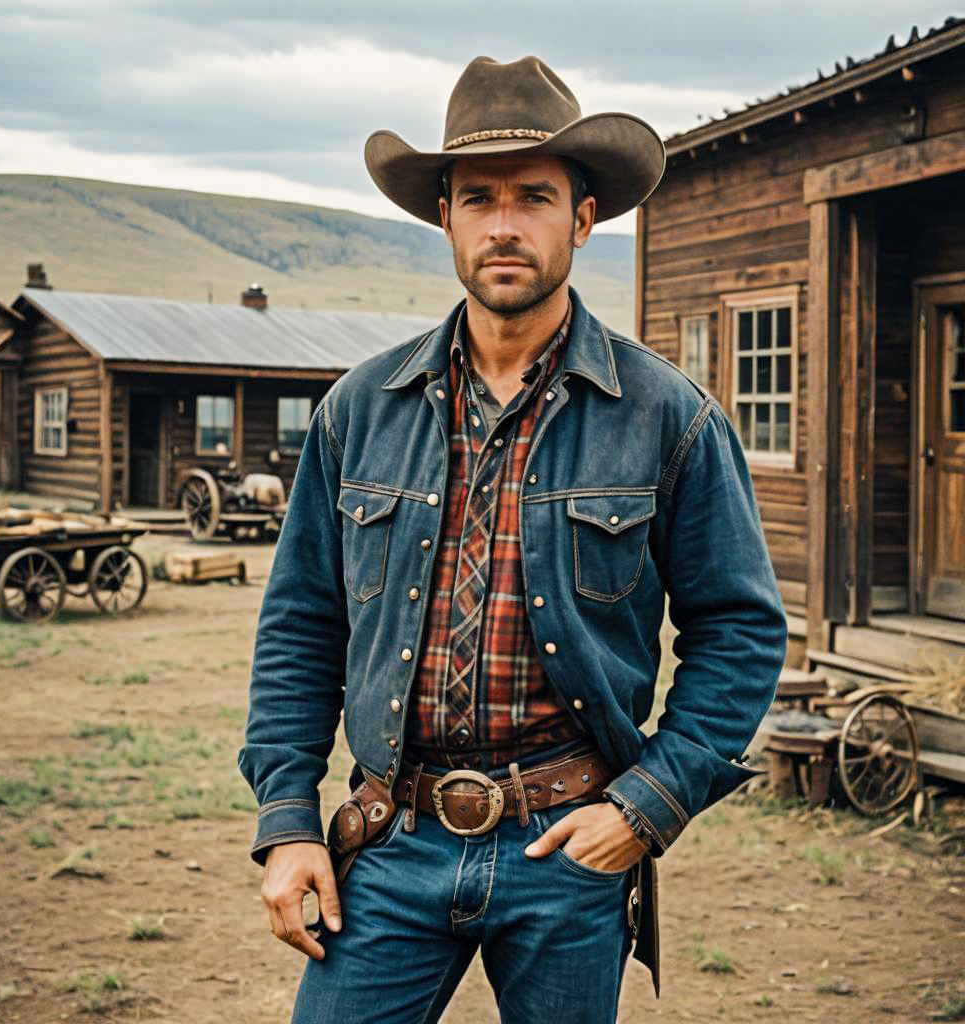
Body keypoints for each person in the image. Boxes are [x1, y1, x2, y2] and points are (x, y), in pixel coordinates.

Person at [238, 54, 788, 1024]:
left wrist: (644, 806)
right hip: (389, 841)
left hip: (565, 850)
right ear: (443, 216)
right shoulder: (357, 411)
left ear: (581, 218)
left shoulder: (669, 416)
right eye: (478, 197)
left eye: (535, 196)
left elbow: (738, 629)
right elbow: (299, 626)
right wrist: (288, 824)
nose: (503, 224)